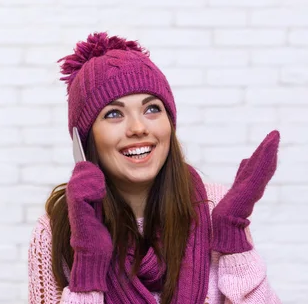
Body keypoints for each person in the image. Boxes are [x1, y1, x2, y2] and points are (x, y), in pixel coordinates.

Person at [27, 32, 282, 304]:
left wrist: (233, 240)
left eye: (152, 109)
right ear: (85, 139)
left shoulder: (216, 207)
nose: (138, 128)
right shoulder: (55, 231)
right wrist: (88, 269)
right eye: (114, 113)